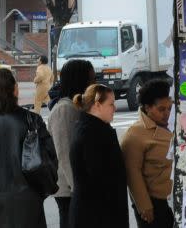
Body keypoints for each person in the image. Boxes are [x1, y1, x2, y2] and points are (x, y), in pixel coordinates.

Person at [0, 68, 57, 227]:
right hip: (30, 202)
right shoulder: (32, 120)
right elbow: (49, 159)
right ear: (14, 89)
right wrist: (41, 191)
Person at [68, 83, 128, 228]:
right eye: (111, 104)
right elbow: (100, 177)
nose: (115, 108)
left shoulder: (91, 128)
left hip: (96, 212)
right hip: (97, 215)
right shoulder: (92, 133)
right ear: (97, 105)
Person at [47, 59, 96, 228]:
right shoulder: (64, 110)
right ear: (79, 80)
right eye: (90, 79)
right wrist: (78, 189)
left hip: (78, 187)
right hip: (69, 190)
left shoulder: (76, 106)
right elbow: (64, 153)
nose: (93, 84)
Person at [121, 80, 173, 228]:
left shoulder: (174, 123)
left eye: (169, 108)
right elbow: (132, 172)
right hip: (155, 203)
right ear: (147, 108)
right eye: (161, 109)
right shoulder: (135, 134)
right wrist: (144, 205)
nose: (167, 113)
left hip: (175, 199)